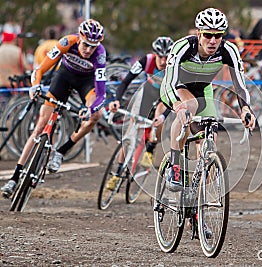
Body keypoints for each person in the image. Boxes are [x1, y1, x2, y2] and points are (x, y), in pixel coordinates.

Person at [1, 19, 107, 198]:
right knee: (40, 126)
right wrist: (35, 86)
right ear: (80, 38)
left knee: (96, 115)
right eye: (87, 45)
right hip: (64, 77)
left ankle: (61, 151)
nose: (89, 50)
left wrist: (90, 109)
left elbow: (102, 94)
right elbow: (39, 70)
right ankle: (14, 178)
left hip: (86, 84)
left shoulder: (100, 54)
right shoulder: (67, 42)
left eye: (93, 46)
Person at [160, 7, 256, 191]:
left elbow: (240, 85)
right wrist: (177, 105)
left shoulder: (229, 50)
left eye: (218, 35)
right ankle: (175, 165)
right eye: (207, 35)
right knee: (190, 106)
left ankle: (196, 203)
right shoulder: (183, 47)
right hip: (176, 88)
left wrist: (245, 109)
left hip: (204, 91)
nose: (213, 40)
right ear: (198, 33)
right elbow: (169, 81)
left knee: (208, 142)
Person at [105, 36, 174, 190]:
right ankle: (117, 173)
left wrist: (164, 116)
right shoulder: (146, 61)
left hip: (165, 96)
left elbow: (176, 96)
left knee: (159, 115)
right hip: (148, 93)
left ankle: (150, 148)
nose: (163, 61)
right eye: (160, 57)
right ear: (154, 54)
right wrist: (116, 100)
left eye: (166, 57)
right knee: (130, 133)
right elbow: (125, 82)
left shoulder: (175, 66)